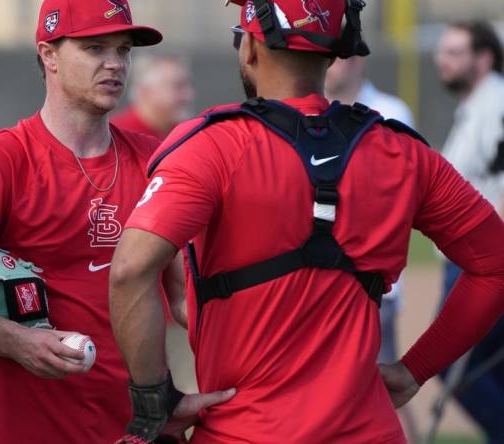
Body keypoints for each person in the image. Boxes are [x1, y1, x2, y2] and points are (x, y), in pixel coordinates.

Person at [108, 0, 504, 442]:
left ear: (251, 50)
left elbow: (130, 270)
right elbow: (495, 264)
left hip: (243, 432)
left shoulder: (210, 145)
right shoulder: (404, 153)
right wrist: (417, 368)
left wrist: (153, 401)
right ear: (336, 50)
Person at [0, 1, 227, 442]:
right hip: (25, 428)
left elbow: (183, 295)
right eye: (95, 48)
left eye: (123, 50)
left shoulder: (153, 162)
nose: (114, 64)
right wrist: (18, 342)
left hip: (134, 429)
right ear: (49, 55)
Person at [325, 55, 419, 443]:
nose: (337, 62)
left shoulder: (391, 112)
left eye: (346, 53)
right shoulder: (301, 113)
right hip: (319, 281)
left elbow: (400, 199)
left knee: (381, 390)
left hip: (373, 282)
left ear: (362, 59)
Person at [434, 20, 504, 443]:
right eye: (443, 51)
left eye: (455, 52)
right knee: (489, 365)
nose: (443, 60)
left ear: (484, 58)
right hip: (472, 259)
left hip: (481, 262)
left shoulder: (496, 104)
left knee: (449, 359)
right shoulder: (477, 105)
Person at [112, 54, 195, 141]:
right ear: (145, 92)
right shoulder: (116, 137)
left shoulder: (187, 134)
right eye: (178, 86)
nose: (188, 95)